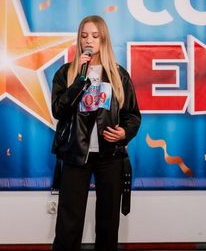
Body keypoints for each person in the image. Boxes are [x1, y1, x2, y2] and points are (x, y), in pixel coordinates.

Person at [51, 15, 141, 251]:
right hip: (75, 155)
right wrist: (79, 80)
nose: (88, 41)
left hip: (110, 156)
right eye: (84, 36)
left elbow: (132, 115)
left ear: (104, 40)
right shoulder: (66, 73)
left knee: (108, 222)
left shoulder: (118, 75)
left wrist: (124, 132)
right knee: (69, 222)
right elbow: (58, 111)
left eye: (94, 35)